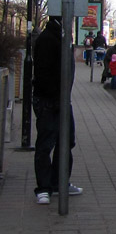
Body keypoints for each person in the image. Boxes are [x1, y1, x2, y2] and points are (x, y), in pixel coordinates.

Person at [32, 15, 83, 205]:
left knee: (67, 141)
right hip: (49, 101)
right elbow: (43, 72)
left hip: (61, 101)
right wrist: (54, 96)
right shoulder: (48, 39)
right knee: (46, 144)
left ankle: (59, 182)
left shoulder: (62, 37)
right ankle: (43, 188)